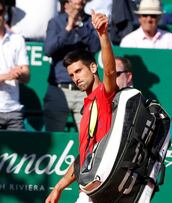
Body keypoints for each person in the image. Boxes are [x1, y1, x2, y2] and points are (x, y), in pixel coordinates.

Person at [45, 10, 117, 203]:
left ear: (93, 68)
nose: (76, 78)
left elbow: (110, 71)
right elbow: (84, 157)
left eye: (79, 71)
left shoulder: (104, 95)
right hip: (88, 188)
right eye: (71, 75)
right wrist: (59, 187)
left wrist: (103, 34)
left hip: (103, 187)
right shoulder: (87, 108)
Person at [43, 0, 101, 132]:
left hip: (84, 91)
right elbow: (48, 49)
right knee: (54, 137)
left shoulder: (89, 21)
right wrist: (68, 28)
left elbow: (95, 47)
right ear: (66, 2)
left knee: (89, 137)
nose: (79, 1)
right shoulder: (56, 22)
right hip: (59, 89)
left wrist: (79, 25)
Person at [0, 0, 29, 131]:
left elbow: (27, 77)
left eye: (0, 12)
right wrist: (8, 75)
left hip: (14, 111)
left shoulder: (17, 39)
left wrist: (20, 74)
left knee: (21, 150)